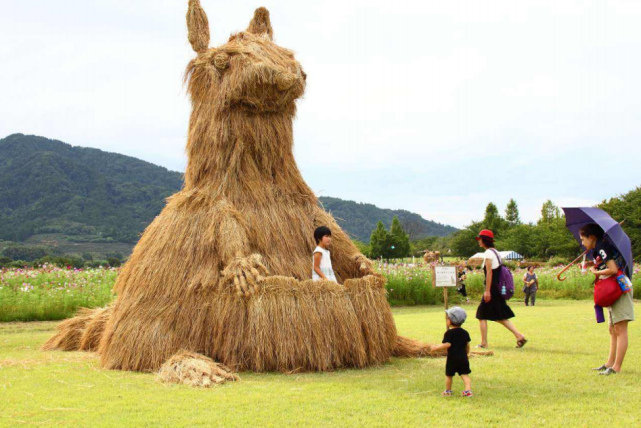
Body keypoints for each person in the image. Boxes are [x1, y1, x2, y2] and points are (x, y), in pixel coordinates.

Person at [580, 223, 634, 375]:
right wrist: (592, 265)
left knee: (620, 329)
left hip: (619, 288)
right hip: (613, 289)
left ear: (592, 237)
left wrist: (595, 273)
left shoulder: (602, 246)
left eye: (583, 239)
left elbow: (613, 269)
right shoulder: (600, 248)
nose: (582, 243)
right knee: (613, 329)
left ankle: (616, 367)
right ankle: (609, 363)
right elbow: (607, 263)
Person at [474, 229, 527, 349]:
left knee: (481, 315)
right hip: (497, 288)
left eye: (480, 239)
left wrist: (487, 291)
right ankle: (519, 336)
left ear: (484, 240)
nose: (479, 242)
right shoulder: (495, 252)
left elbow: (489, 273)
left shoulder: (488, 253)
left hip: (492, 288)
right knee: (499, 315)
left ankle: (484, 343)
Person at [431, 307, 472, 397]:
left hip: (452, 359)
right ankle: (468, 391)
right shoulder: (465, 332)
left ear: (451, 320)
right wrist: (467, 354)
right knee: (465, 375)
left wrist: (436, 347)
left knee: (449, 375)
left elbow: (447, 344)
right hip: (463, 358)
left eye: (447, 318)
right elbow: (467, 345)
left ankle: (448, 391)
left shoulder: (449, 333)